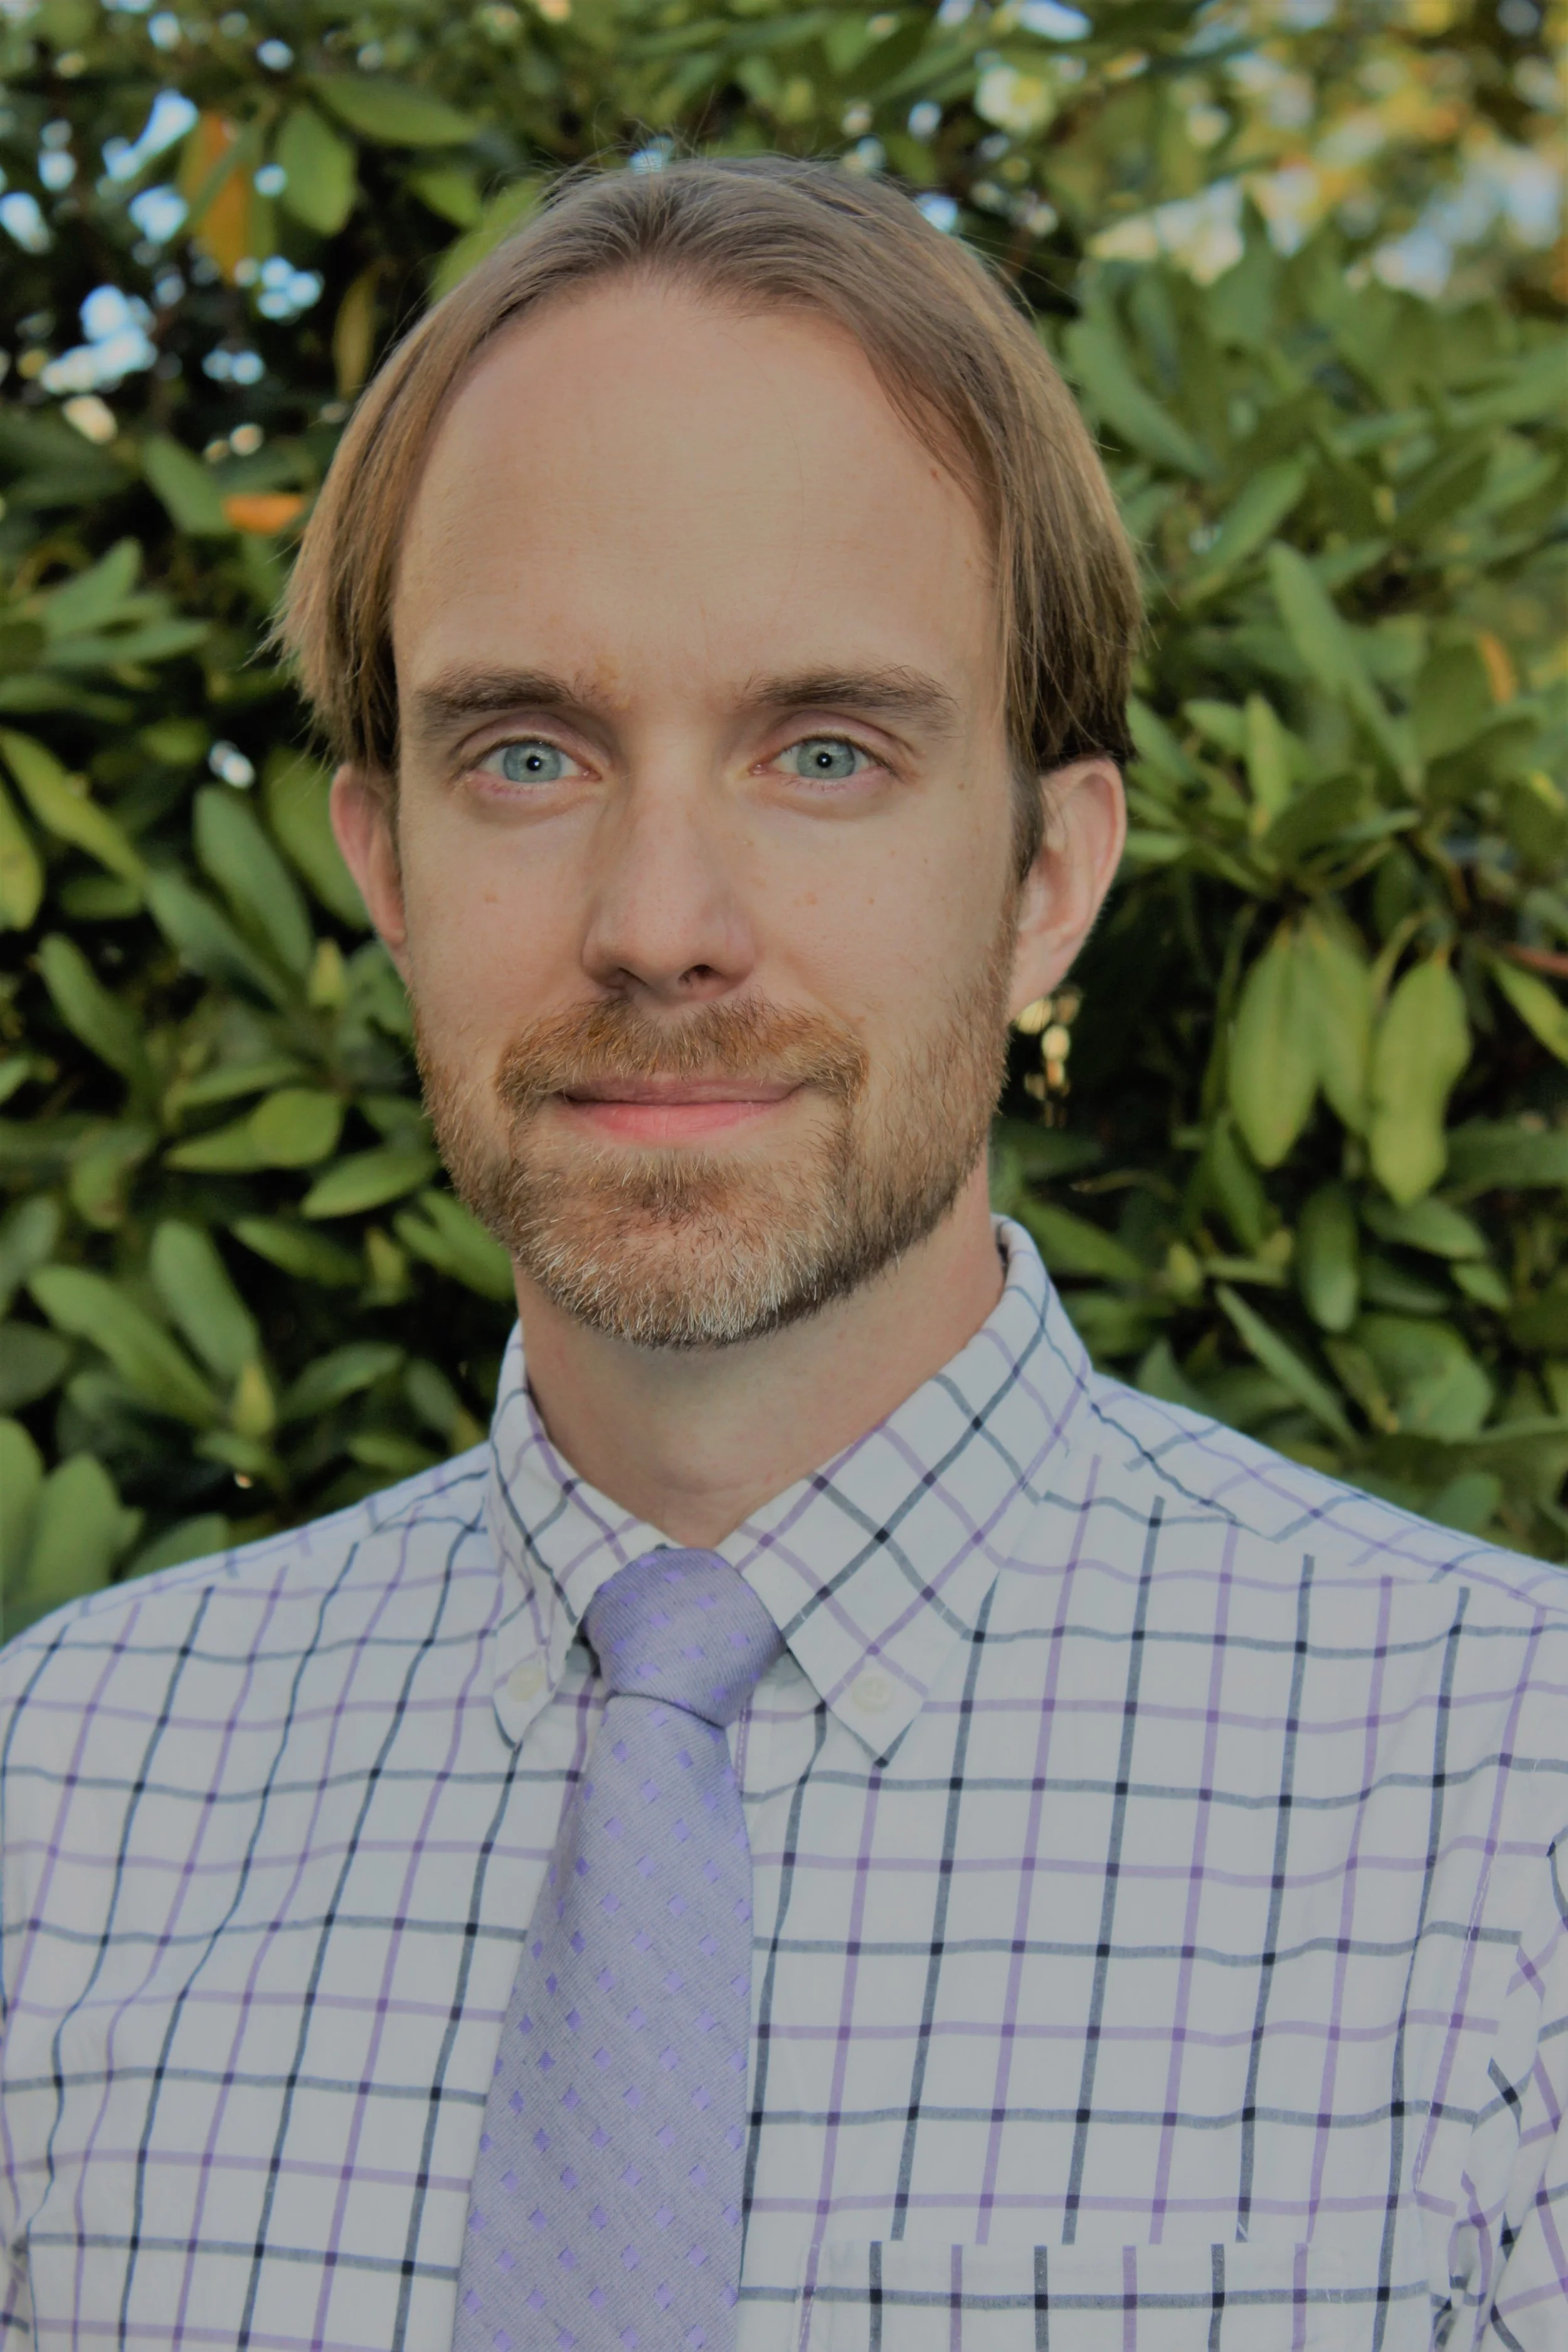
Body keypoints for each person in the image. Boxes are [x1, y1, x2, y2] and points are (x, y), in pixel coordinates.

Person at [0, 157, 1562, 2352]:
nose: (659, 920)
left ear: (1045, 871)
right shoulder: (56, 1812)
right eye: (525, 751)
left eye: (824, 749)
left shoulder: (1510, 1822)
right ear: (384, 858)